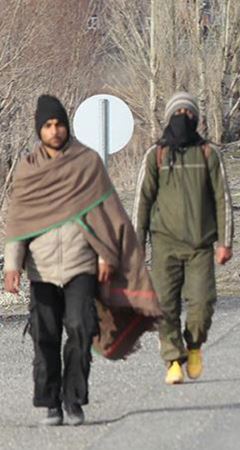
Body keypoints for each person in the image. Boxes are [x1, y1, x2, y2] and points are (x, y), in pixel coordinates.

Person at [4, 95, 161, 426]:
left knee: (80, 328)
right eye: (48, 125)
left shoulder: (87, 163)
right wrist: (12, 266)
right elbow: (18, 222)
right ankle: (50, 402)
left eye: (59, 123)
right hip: (42, 270)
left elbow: (106, 215)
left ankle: (74, 400)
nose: (55, 130)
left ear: (67, 126)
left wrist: (106, 255)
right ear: (39, 130)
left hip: (81, 265)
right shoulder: (28, 171)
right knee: (44, 335)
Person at [133, 92, 234, 385]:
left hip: (201, 245)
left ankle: (194, 346)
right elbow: (141, 202)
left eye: (188, 114)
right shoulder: (156, 155)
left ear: (197, 119)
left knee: (202, 305)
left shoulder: (208, 154)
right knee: (164, 306)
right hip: (164, 245)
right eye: (178, 113)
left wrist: (225, 242)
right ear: (168, 119)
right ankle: (173, 360)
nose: (183, 119)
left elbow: (222, 199)